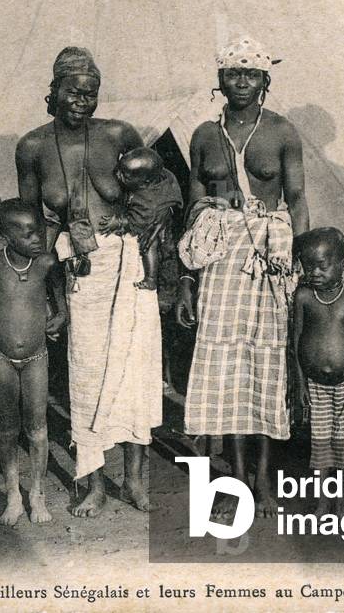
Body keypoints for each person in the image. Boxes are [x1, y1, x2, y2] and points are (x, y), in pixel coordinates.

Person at [16, 47, 163, 517]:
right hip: (77, 267)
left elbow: (157, 195)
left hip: (130, 263)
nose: (82, 99)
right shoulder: (34, 147)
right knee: (86, 374)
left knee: (135, 371)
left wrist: (148, 244)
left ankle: (135, 478)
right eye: (73, 90)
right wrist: (49, 291)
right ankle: (92, 481)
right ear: (53, 92)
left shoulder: (119, 134)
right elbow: (33, 226)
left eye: (91, 92)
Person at [176, 36, 310, 518]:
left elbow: (296, 200)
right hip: (218, 255)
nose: (241, 82)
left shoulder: (282, 132)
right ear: (220, 79)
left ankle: (265, 479)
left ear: (265, 81)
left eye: (250, 74)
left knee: (267, 366)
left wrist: (302, 266)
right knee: (225, 369)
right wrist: (187, 280)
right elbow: (193, 208)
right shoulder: (203, 136)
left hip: (271, 251)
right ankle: (233, 478)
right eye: (233, 72)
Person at [0, 199, 67, 525]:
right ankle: (13, 493)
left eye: (39, 231)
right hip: (1, 359)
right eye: (27, 234)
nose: (37, 239)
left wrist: (59, 317)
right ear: (7, 236)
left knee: (37, 427)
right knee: (8, 428)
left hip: (36, 358)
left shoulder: (46, 264)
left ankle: (37, 493)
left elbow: (60, 301)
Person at [291, 228, 344, 516]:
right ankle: (323, 501)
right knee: (320, 445)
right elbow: (296, 341)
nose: (314, 272)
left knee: (343, 444)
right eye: (307, 266)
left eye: (322, 266)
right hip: (315, 385)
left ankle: (342, 502)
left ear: (343, 265)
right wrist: (299, 384)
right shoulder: (303, 297)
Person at [99, 146, 183, 290]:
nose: (118, 175)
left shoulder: (146, 200)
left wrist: (119, 222)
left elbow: (137, 221)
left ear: (144, 183)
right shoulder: (159, 175)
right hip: (158, 213)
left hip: (152, 223)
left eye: (125, 176)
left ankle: (150, 279)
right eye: (119, 169)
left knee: (149, 245)